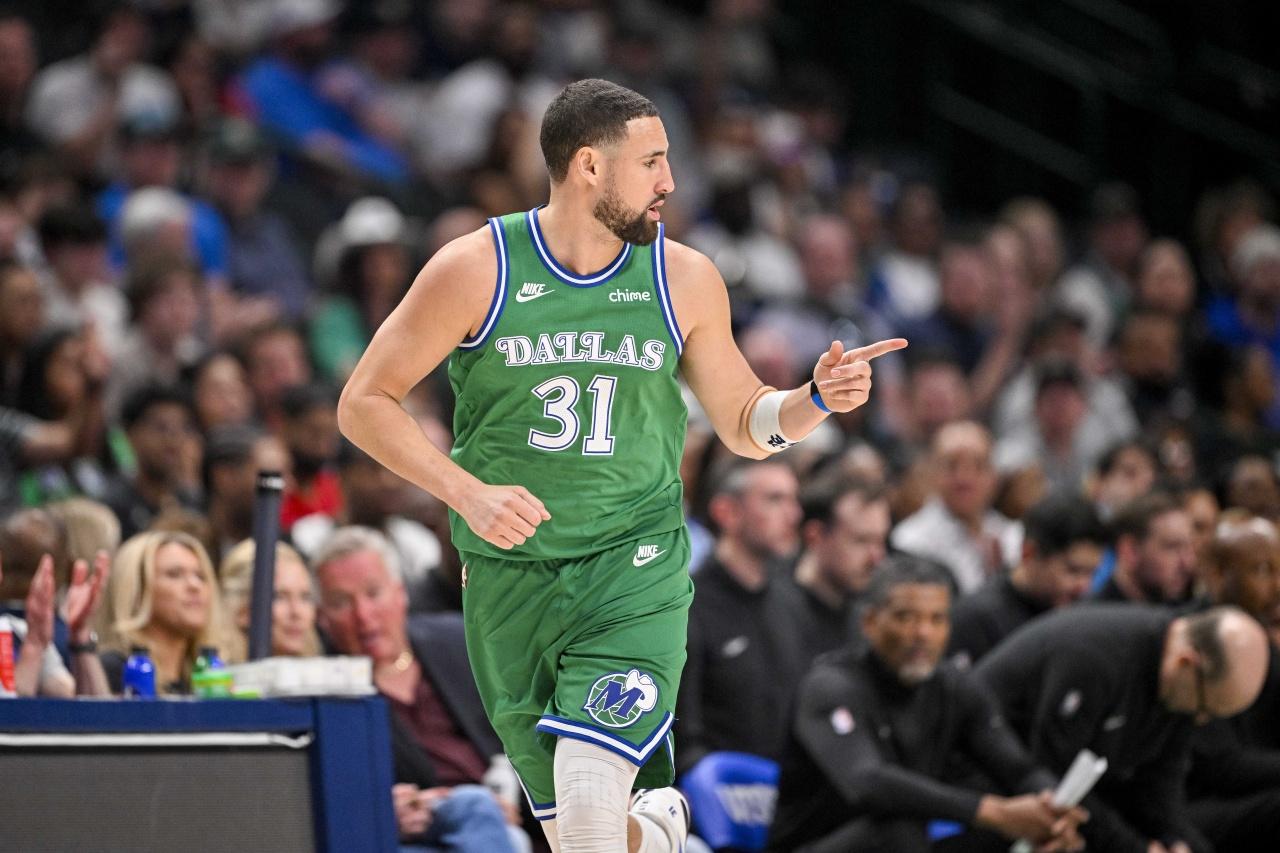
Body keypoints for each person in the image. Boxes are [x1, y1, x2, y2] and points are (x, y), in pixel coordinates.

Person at [337, 78, 905, 853]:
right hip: (509, 578)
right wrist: (464, 492)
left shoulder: (684, 277)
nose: (670, 181)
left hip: (633, 570)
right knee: (581, 835)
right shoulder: (477, 267)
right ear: (588, 167)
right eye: (652, 162)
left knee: (589, 808)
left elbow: (746, 421)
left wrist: (814, 399)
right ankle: (663, 830)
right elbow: (363, 402)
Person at [767, 556, 1087, 853]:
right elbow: (867, 783)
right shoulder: (830, 686)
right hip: (816, 845)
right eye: (906, 617)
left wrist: (1053, 811)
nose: (923, 633)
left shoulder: (953, 685)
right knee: (900, 831)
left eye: (937, 619)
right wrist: (993, 812)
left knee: (1010, 832)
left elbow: (1017, 768)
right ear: (870, 622)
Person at [975, 604, 1270, 853]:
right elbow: (1056, 777)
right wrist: (1136, 848)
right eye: (1206, 709)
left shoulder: (1183, 688)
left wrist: (1178, 841)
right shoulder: (1097, 659)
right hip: (987, 782)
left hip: (1060, 795)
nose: (1202, 720)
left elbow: (1160, 790)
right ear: (1185, 663)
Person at [312, 526, 530, 852]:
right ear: (323, 618)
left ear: (401, 592)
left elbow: (525, 733)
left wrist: (512, 801)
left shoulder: (456, 642)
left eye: (373, 593)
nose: (363, 615)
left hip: (503, 821)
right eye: (342, 602)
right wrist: (382, 811)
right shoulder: (325, 691)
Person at [676, 460, 807, 776]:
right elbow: (681, 736)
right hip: (709, 790)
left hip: (785, 790)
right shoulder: (687, 607)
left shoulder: (793, 602)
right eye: (775, 499)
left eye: (794, 499)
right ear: (727, 512)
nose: (794, 515)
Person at [1184, 514, 1280, 852]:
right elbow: (1221, 766)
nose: (1277, 587)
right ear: (1217, 575)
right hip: (1193, 805)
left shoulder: (1264, 633)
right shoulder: (1197, 640)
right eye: (1262, 571)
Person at [949, 495, 1106, 666]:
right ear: (1029, 553)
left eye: (1092, 573)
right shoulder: (974, 620)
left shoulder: (1083, 614)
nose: (1084, 586)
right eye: (1073, 571)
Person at [95, 530, 242, 694]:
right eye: (174, 574)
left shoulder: (211, 673)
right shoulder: (116, 669)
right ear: (138, 591)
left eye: (201, 576)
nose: (194, 586)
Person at [892, 421, 1022, 594]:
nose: (965, 478)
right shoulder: (909, 543)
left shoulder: (1013, 537)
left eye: (978, 466)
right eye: (952, 465)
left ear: (994, 476)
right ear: (931, 472)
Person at [789, 475, 890, 664]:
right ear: (815, 536)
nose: (877, 558)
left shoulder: (866, 615)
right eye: (861, 541)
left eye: (880, 541)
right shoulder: (777, 616)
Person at [218, 539, 320, 657]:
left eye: (305, 597)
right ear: (241, 608)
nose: (297, 612)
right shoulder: (215, 667)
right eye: (279, 597)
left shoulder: (322, 666)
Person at [1091, 491, 1196, 605]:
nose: (1188, 563)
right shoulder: (1092, 613)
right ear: (1130, 551)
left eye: (1190, 547)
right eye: (1172, 547)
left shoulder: (1190, 605)